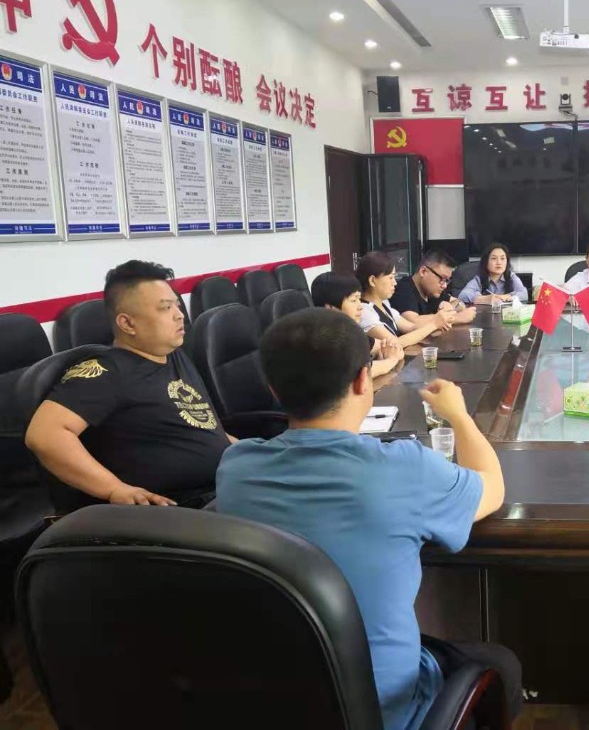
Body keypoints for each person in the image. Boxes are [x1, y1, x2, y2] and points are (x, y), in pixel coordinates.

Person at [216, 309, 520, 729]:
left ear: (273, 389)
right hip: (378, 711)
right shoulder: (405, 470)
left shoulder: (235, 467)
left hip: (273, 699)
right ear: (364, 379)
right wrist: (459, 415)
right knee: (500, 663)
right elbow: (492, 488)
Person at [24, 261, 230, 511]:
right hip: (179, 510)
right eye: (165, 308)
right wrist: (114, 489)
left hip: (222, 486)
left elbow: (204, 427)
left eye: (177, 305)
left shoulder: (173, 355)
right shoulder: (109, 371)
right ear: (127, 323)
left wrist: (247, 451)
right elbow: (45, 435)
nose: (179, 315)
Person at [311, 271, 405, 377]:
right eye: (353, 300)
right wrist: (391, 360)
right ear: (330, 308)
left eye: (359, 299)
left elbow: (392, 347)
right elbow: (357, 372)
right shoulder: (324, 340)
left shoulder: (350, 331)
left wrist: (387, 352)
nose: (360, 306)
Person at [357, 252, 445, 348]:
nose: (395, 283)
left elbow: (411, 328)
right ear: (372, 280)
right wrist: (434, 324)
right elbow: (395, 343)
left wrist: (441, 323)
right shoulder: (363, 312)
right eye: (391, 277)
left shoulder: (384, 303)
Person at [391, 249, 477, 327]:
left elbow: (459, 302)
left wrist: (450, 307)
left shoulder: (432, 291)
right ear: (423, 271)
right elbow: (411, 322)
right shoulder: (403, 289)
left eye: (447, 280)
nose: (444, 285)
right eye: (442, 279)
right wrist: (455, 318)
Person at [458, 242, 529, 305]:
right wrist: (486, 299)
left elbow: (524, 294)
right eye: (494, 258)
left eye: (502, 258)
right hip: (485, 314)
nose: (499, 262)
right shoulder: (479, 279)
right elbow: (463, 295)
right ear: (486, 262)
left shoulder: (511, 276)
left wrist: (506, 297)